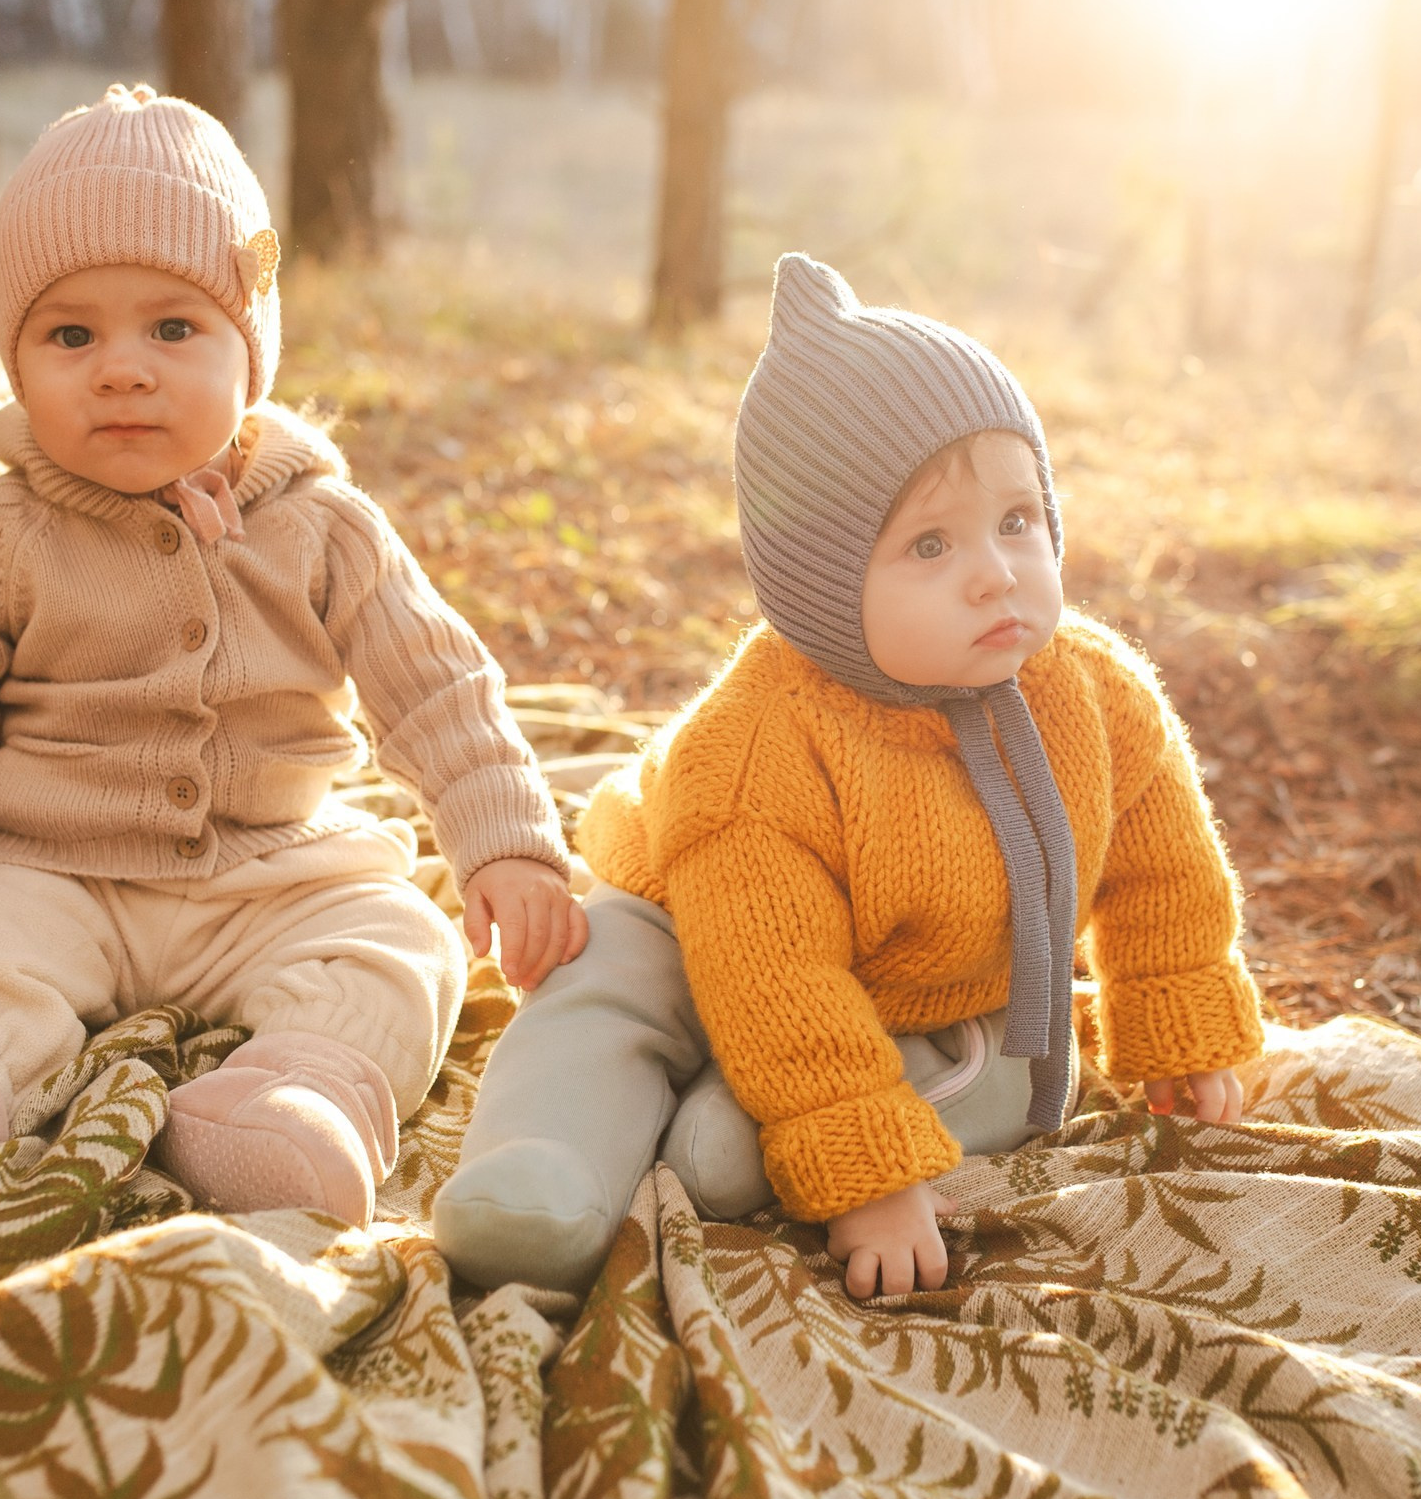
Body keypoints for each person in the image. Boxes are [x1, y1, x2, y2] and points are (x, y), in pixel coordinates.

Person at [0, 85, 585, 1272]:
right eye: (72, 337)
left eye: (173, 330)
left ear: (249, 353)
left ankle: (288, 1101)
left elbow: (436, 688)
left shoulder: (323, 526)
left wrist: (505, 840)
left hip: (269, 866)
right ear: (16, 360)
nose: (122, 372)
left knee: (399, 945)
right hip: (46, 865)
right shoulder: (4, 535)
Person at [435, 254, 1263, 1301]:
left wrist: (1176, 1024)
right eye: (928, 543)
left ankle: (741, 1134)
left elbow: (1165, 874)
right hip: (691, 929)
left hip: (913, 990)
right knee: (601, 995)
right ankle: (543, 1169)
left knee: (986, 1074)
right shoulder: (755, 755)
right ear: (819, 583)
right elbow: (773, 977)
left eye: (1018, 522)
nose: (994, 572)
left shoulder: (1094, 695)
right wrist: (870, 1183)